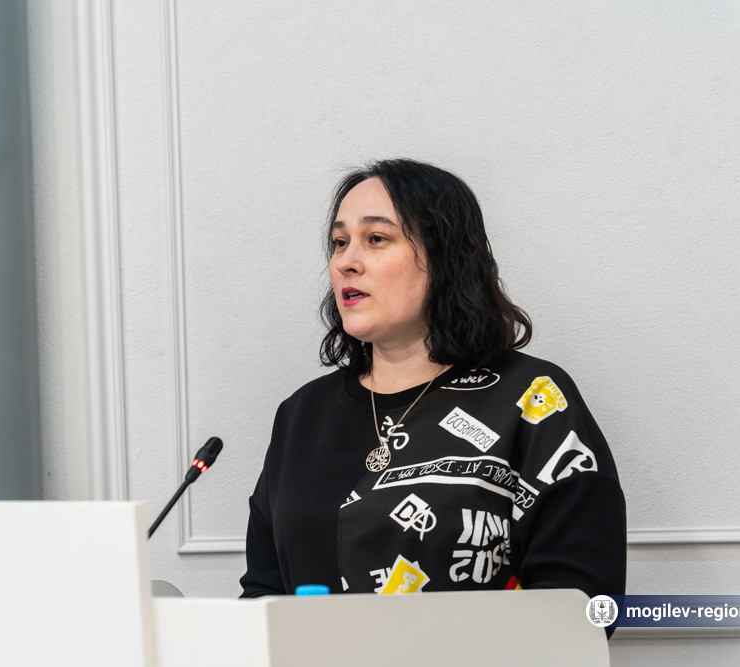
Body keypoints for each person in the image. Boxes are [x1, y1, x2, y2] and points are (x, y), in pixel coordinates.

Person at [239, 159, 625, 604]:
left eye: (377, 238)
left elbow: (584, 601)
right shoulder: (301, 414)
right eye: (340, 243)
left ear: (445, 258)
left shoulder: (531, 397)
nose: (346, 262)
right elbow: (263, 594)